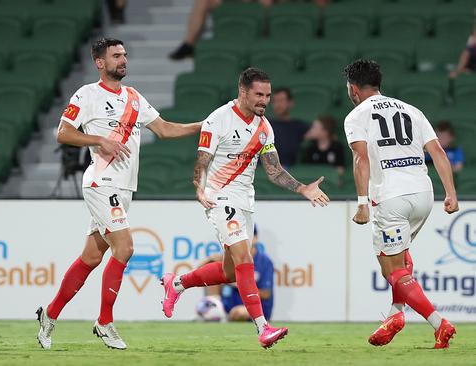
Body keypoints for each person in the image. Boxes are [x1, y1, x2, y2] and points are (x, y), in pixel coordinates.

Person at [36, 37, 201, 350]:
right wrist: (99, 139)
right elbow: (63, 133)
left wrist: (203, 125)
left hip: (124, 189)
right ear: (100, 63)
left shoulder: (134, 97)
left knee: (91, 257)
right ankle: (105, 321)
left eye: (124, 55)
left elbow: (165, 129)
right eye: (116, 56)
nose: (123, 60)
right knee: (124, 248)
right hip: (101, 183)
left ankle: (50, 314)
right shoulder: (87, 94)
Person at [161, 67, 329, 349]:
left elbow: (273, 171)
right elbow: (202, 159)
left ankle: (176, 284)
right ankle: (263, 329)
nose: (265, 100)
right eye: (259, 95)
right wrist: (199, 187)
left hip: (244, 202)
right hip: (220, 198)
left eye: (268, 95)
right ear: (243, 92)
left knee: (229, 273)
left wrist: (302, 188)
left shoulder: (264, 128)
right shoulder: (219, 119)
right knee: (245, 259)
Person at [343, 59, 459, 349]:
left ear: (353, 89)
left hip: (391, 197)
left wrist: (361, 203)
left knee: (391, 269)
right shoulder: (411, 110)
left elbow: (361, 159)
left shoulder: (356, 116)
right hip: (423, 195)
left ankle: (439, 323)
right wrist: (451, 193)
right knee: (399, 258)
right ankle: (395, 315)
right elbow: (438, 151)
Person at [200, 225, 274, 321]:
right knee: (211, 272)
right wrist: (210, 260)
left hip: (255, 308)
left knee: (239, 313)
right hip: (229, 303)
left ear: (255, 239)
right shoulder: (230, 255)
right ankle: (215, 309)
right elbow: (199, 272)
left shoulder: (264, 261)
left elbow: (266, 294)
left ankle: (219, 317)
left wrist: (238, 284)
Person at [267, 87, 310, 168]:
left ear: (290, 103)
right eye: (274, 101)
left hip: (292, 171)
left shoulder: (299, 126)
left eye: (281, 101)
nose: (278, 105)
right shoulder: (265, 125)